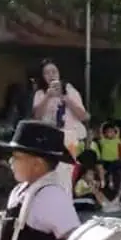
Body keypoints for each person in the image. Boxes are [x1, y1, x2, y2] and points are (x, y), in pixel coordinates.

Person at [32, 58, 90, 195]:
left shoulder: (70, 90)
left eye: (54, 71)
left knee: (65, 172)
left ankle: (65, 202)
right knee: (50, 174)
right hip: (49, 137)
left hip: (69, 137)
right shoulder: (40, 94)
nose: (51, 75)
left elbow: (84, 116)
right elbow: (36, 116)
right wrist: (48, 97)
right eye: (47, 73)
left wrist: (64, 97)